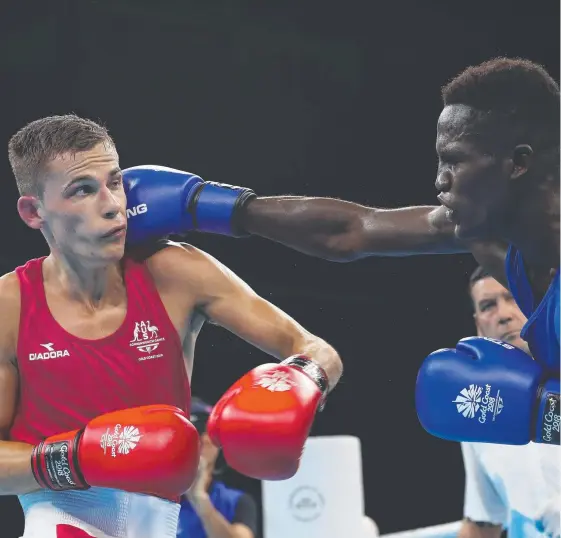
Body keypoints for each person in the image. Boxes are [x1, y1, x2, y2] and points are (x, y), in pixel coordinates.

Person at [2, 115, 343, 537]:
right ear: (34, 211)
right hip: (62, 521)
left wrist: (303, 380)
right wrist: (76, 457)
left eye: (115, 182)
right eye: (83, 190)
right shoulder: (9, 307)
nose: (112, 204)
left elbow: (314, 347)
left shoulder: (175, 272)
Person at [120, 58, 559, 379]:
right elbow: (353, 230)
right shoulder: (493, 239)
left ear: (518, 163)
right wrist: (205, 205)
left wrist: (548, 414)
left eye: (455, 162)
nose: (440, 181)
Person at [458, 267, 559, 538]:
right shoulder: (476, 410)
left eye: (514, 296)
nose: (504, 315)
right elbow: (483, 523)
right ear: (478, 324)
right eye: (488, 306)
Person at [177, 398, 258, 538]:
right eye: (192, 434)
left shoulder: (236, 501)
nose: (201, 442)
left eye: (204, 432)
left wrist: (200, 500)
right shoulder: (157, 501)